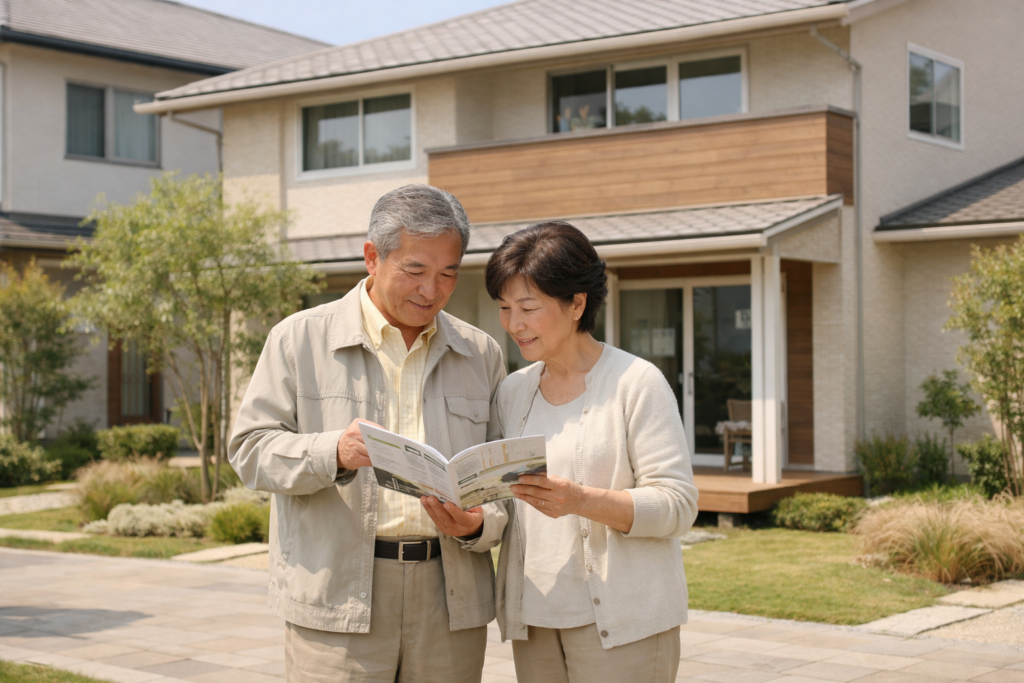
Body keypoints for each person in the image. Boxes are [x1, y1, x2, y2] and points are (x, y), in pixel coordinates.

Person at [229, 184, 508, 683]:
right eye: (415, 270)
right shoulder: (298, 339)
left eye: (448, 273)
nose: (431, 290)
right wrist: (333, 451)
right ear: (372, 258)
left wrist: (477, 524)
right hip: (337, 597)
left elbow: (503, 481)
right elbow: (250, 450)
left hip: (450, 601)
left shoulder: (480, 353)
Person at [484, 221, 699, 683]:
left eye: (528, 307)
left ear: (577, 304)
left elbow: (678, 505)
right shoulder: (513, 392)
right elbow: (505, 502)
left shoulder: (636, 383)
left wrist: (580, 500)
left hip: (624, 622)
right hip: (535, 619)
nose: (514, 324)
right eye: (504, 308)